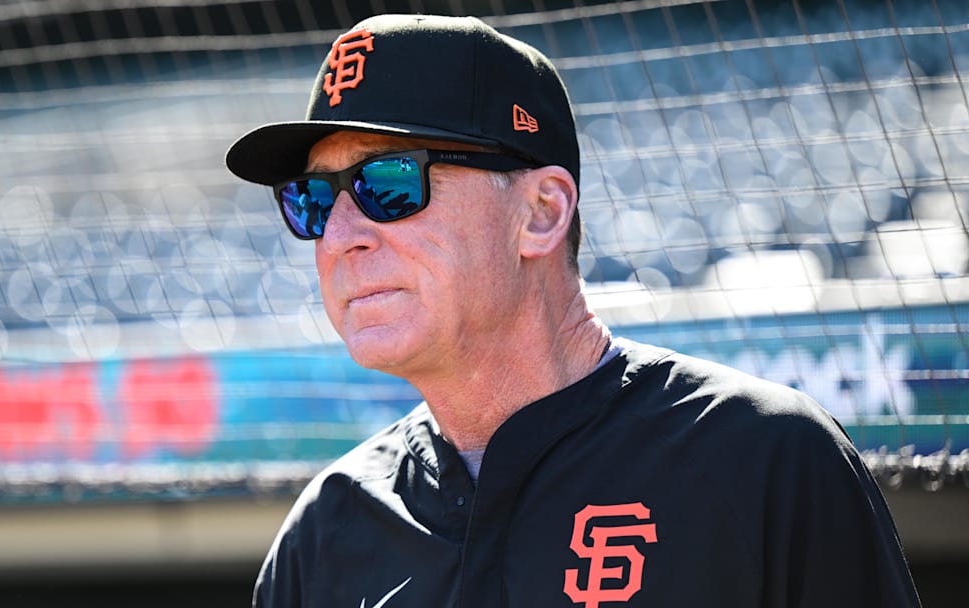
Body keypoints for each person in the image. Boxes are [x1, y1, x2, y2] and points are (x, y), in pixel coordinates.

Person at [225, 13, 921, 607]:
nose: (339, 236)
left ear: (541, 212)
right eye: (312, 200)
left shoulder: (765, 460)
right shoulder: (322, 537)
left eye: (388, 180)